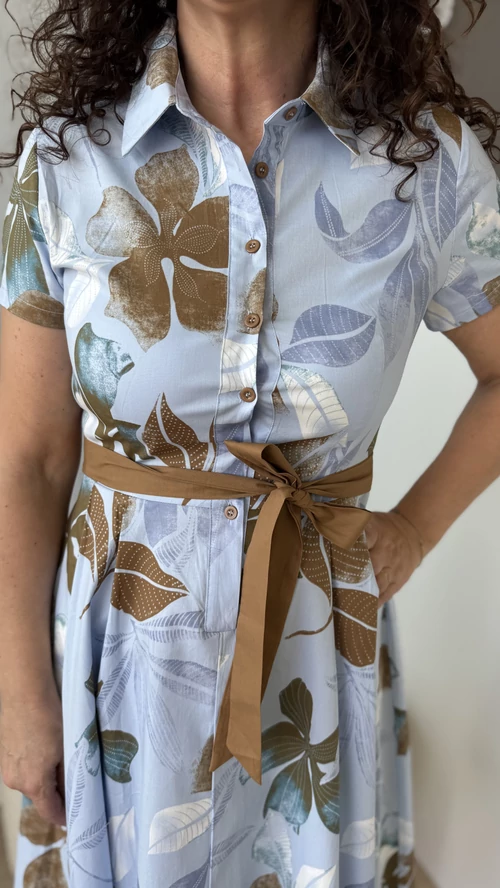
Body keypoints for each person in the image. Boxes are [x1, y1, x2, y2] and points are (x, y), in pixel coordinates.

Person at [0, 0, 499, 885]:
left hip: (317, 667)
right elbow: (28, 459)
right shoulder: (69, 156)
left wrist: (415, 529)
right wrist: (20, 692)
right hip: (116, 668)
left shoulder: (426, 163)